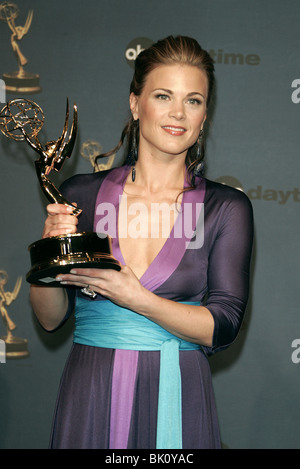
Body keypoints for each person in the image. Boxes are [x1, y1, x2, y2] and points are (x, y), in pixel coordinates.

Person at [30, 35, 253, 449]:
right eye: (163, 95)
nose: (178, 113)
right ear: (135, 103)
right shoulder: (81, 194)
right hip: (92, 389)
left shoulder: (225, 207)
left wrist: (138, 298)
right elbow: (49, 319)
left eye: (193, 101)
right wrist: (49, 257)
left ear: (205, 115)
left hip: (178, 392)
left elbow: (222, 326)